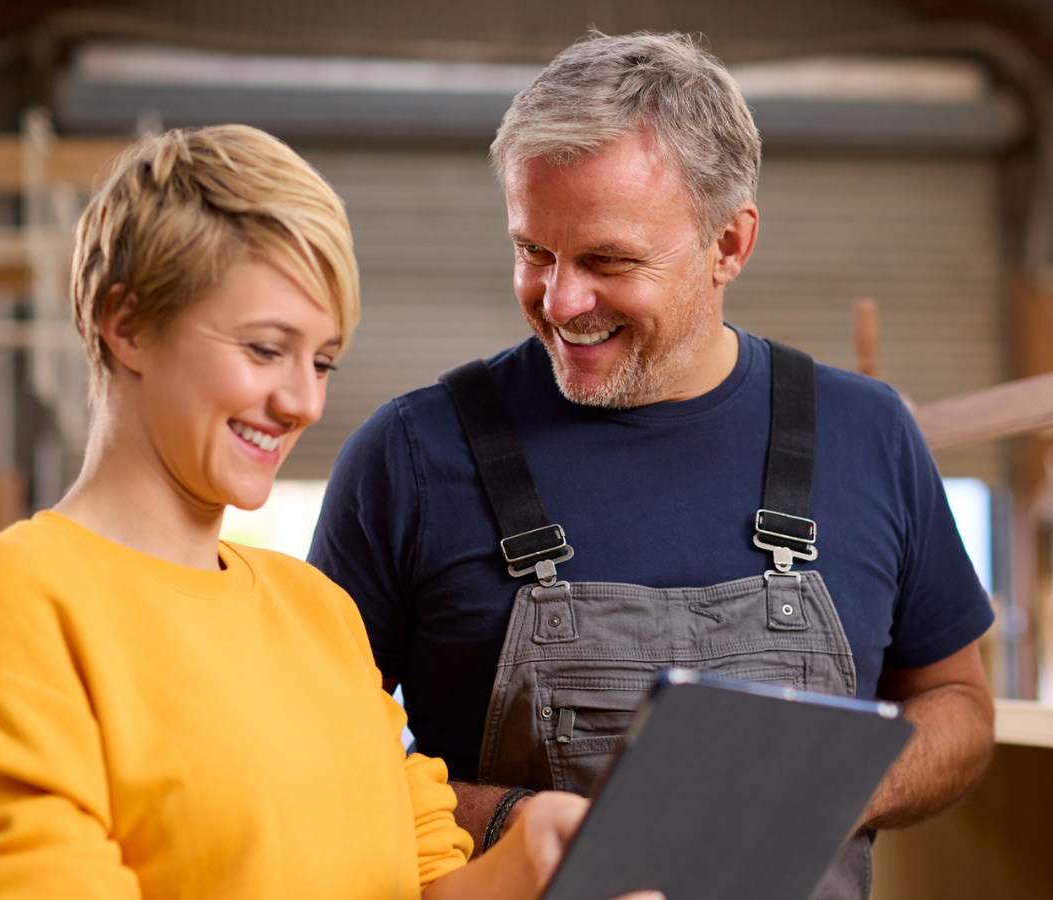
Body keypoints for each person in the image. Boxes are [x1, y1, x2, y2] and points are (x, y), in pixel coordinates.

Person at [0, 125, 660, 900]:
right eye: (266, 349)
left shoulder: (318, 616)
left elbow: (425, 880)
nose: (302, 401)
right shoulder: (21, 611)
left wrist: (529, 867)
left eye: (323, 360)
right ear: (125, 323)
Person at [310, 30, 997, 900]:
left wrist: (832, 787)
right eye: (533, 252)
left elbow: (960, 709)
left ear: (730, 246)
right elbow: (316, 755)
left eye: (608, 260)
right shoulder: (410, 455)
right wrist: (504, 820)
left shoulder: (867, 434)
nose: (561, 302)